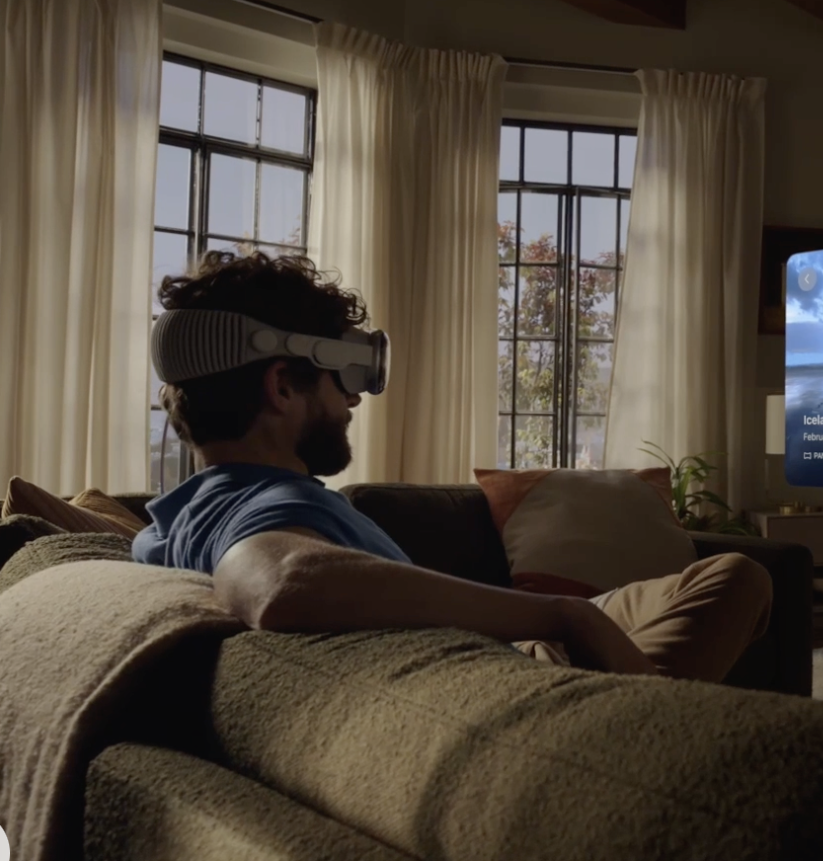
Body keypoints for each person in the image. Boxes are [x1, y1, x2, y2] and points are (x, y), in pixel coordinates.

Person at [134, 250, 770, 682]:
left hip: (503, 648)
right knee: (737, 586)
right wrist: (560, 614)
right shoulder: (267, 510)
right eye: (345, 375)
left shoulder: (172, 520)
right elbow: (279, 584)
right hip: (515, 677)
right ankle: (654, 732)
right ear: (282, 387)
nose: (354, 398)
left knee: (731, 573)